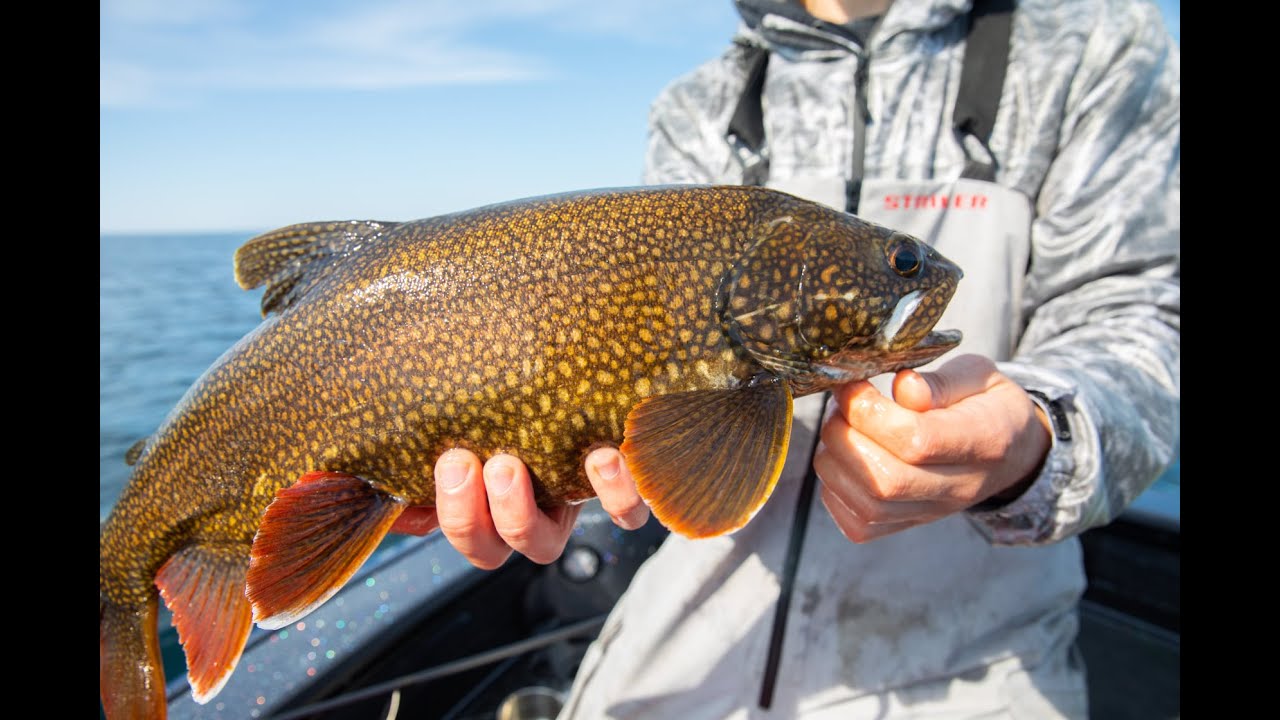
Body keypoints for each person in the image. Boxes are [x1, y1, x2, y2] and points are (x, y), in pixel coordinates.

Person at [398, 0, 1180, 716]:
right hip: (684, 648)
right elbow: (647, 377)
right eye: (905, 267)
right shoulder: (703, 101)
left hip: (978, 666)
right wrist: (551, 453)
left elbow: (1145, 320)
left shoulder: (1092, 45)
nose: (928, 282)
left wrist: (1034, 439)